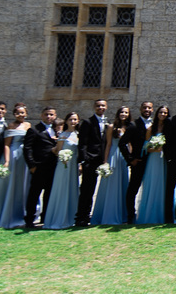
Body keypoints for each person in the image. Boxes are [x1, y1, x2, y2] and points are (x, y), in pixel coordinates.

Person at [0, 103, 31, 229]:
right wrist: (7, 161)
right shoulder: (11, 126)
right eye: (17, 113)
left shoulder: (28, 125)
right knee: (10, 184)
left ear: (26, 113)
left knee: (23, 183)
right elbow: (7, 145)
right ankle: (5, 212)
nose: (20, 115)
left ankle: (23, 212)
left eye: (22, 112)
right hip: (14, 155)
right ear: (14, 114)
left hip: (24, 156)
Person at [92, 106, 131, 225]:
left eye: (126, 112)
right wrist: (105, 161)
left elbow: (130, 144)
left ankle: (123, 215)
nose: (123, 114)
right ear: (118, 114)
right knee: (112, 185)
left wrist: (130, 158)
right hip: (114, 155)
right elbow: (108, 144)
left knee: (123, 184)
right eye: (121, 112)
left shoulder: (129, 127)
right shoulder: (111, 127)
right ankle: (107, 214)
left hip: (124, 158)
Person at [43, 111, 81, 229]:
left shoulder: (78, 134)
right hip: (63, 165)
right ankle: (59, 216)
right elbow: (57, 150)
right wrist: (63, 156)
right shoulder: (63, 135)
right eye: (71, 119)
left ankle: (72, 215)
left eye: (75, 119)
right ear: (67, 121)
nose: (73, 122)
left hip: (74, 166)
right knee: (62, 188)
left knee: (73, 188)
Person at [23, 107, 60, 227]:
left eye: (51, 115)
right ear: (41, 115)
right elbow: (27, 148)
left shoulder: (57, 130)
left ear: (55, 116)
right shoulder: (34, 130)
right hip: (39, 166)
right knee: (34, 193)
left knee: (49, 193)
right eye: (46, 114)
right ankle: (29, 218)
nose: (49, 117)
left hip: (53, 167)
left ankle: (45, 217)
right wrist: (32, 165)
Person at [76, 98, 108, 226]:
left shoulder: (107, 122)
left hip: (102, 159)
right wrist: (83, 160)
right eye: (98, 106)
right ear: (94, 107)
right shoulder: (88, 122)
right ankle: (81, 216)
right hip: (90, 159)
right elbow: (82, 143)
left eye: (103, 106)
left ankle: (90, 215)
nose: (100, 108)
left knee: (96, 188)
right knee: (87, 189)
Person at [122, 102, 155, 224]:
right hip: (139, 162)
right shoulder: (133, 125)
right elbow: (122, 143)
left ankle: (149, 213)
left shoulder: (155, 124)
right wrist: (130, 159)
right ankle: (131, 215)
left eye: (149, 108)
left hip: (153, 162)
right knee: (133, 189)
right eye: (145, 108)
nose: (147, 110)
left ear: (152, 109)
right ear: (140, 109)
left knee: (152, 188)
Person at [137, 105, 170, 224]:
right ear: (157, 114)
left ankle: (163, 214)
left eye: (165, 113)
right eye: (161, 112)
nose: (163, 114)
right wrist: (155, 148)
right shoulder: (151, 128)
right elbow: (145, 148)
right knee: (153, 183)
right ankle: (150, 214)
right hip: (153, 159)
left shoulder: (168, 128)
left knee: (163, 184)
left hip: (164, 160)